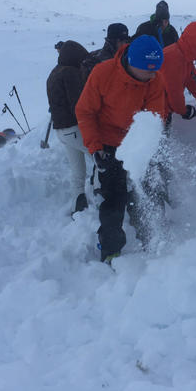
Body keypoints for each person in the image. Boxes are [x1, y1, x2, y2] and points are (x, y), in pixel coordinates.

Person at [75, 35, 166, 263]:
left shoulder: (154, 80)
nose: (153, 76)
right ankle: (111, 249)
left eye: (155, 70)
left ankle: (150, 236)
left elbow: (155, 117)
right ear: (132, 63)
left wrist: (145, 147)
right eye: (147, 71)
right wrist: (95, 148)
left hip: (136, 141)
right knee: (114, 198)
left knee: (145, 189)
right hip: (107, 143)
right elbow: (85, 111)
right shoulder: (103, 74)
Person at [46, 40, 91, 215]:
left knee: (77, 171)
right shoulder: (70, 73)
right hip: (74, 129)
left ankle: (77, 207)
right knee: (101, 161)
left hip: (61, 131)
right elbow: (78, 106)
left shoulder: (54, 72)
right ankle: (101, 196)